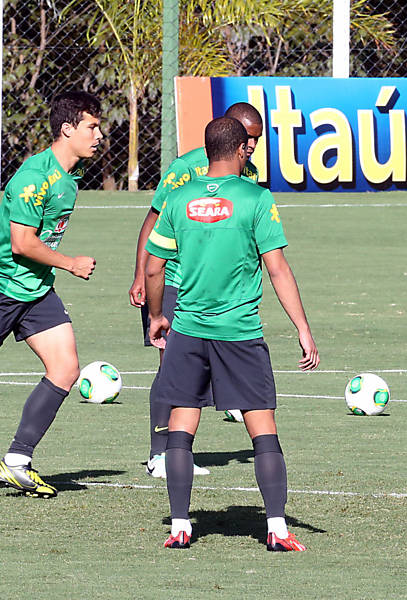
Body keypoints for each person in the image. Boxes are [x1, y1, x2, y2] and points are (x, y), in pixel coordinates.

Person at [144, 117, 318, 551]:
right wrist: (303, 329)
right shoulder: (256, 197)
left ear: (207, 151)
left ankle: (181, 526)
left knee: (182, 429)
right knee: (263, 431)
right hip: (239, 334)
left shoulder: (180, 198)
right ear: (241, 149)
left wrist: (156, 314)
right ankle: (276, 529)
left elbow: (153, 265)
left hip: (187, 331)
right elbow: (276, 267)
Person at [130, 102, 264, 479]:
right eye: (247, 137)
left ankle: (191, 437)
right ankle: (160, 453)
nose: (251, 146)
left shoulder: (249, 173)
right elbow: (153, 219)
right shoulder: (185, 169)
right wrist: (141, 274)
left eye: (256, 139)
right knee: (171, 368)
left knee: (200, 368)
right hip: (173, 279)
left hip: (217, 289)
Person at [0, 91, 101, 499]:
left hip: (36, 290)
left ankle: (17, 462)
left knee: (65, 368)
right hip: (4, 286)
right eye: (91, 127)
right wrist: (70, 262)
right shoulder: (33, 177)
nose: (99, 135)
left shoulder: (69, 180)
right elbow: (22, 243)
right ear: (67, 129)